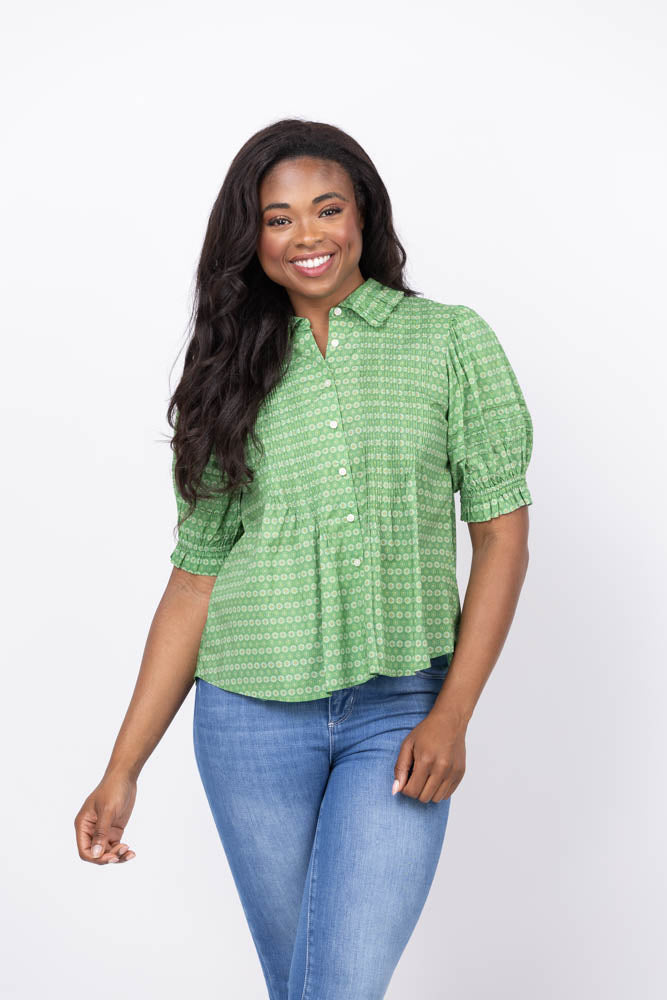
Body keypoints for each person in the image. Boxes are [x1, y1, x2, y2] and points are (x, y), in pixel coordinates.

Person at [74, 118, 534, 999]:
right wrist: (122, 769)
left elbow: (500, 536)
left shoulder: (447, 341)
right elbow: (195, 579)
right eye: (277, 218)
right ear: (251, 238)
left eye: (326, 208)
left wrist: (452, 714)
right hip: (248, 719)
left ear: (362, 213)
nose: (306, 235)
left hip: (399, 711)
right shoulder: (227, 372)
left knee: (337, 985)